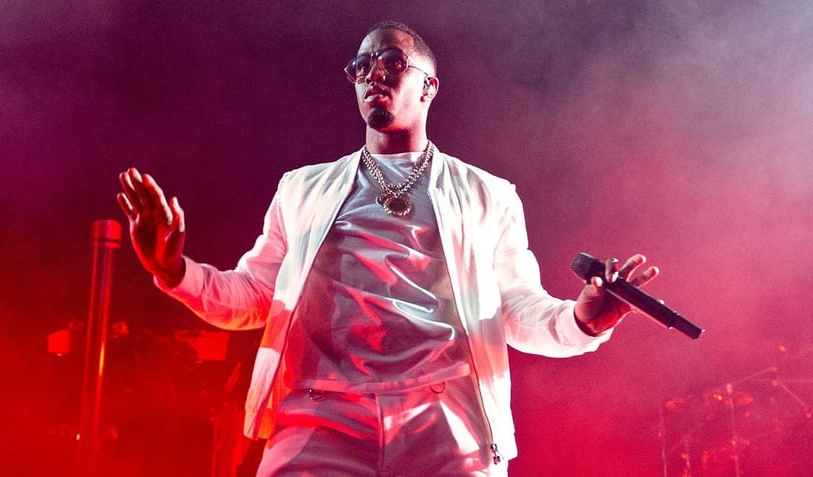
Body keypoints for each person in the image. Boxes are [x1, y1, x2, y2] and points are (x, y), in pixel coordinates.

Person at [117, 20, 658, 476]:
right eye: (361, 66)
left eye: (393, 63)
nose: (373, 74)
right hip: (319, 418)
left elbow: (514, 308)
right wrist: (173, 269)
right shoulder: (302, 189)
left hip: (446, 421)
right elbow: (259, 296)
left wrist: (581, 323)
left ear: (429, 88)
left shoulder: (488, 195)